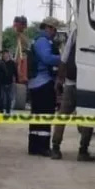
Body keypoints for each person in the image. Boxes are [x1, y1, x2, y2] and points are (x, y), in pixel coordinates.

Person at [51, 12, 95, 161]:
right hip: (88, 85)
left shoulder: (77, 33)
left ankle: (55, 148)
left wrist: (60, 79)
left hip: (71, 82)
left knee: (63, 117)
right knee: (89, 119)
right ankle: (83, 151)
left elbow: (64, 57)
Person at [27, 17, 62, 156]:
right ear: (49, 28)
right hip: (43, 83)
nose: (55, 32)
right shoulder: (43, 41)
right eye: (54, 29)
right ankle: (42, 147)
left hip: (38, 83)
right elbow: (47, 59)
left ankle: (34, 146)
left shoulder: (38, 40)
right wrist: (62, 58)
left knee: (37, 116)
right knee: (45, 115)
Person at [0, 49, 18, 114]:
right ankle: (1, 111)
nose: (4, 55)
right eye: (3, 54)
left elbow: (15, 72)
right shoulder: (0, 62)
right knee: (1, 98)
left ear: (8, 54)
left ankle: (8, 111)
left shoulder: (12, 63)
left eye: (5, 54)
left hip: (10, 83)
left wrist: (17, 80)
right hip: (1, 83)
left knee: (9, 98)